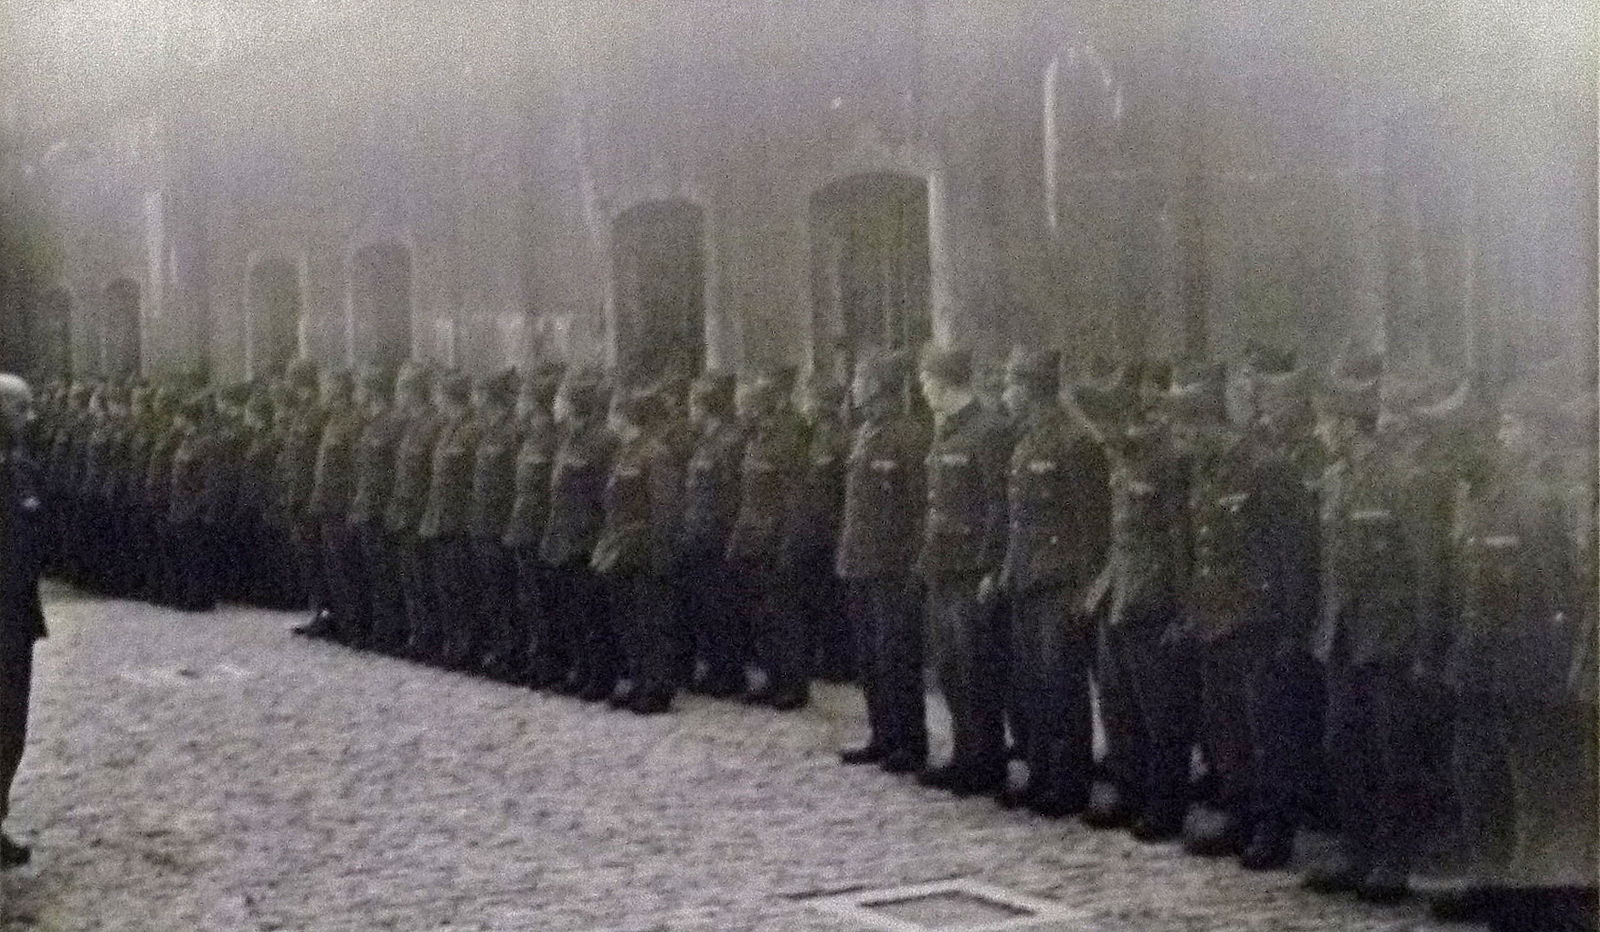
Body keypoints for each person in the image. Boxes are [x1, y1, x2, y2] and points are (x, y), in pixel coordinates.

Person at [997, 347, 1111, 817]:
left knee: (1062, 689)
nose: (1006, 393)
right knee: (1033, 687)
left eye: (1011, 384)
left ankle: (1069, 784)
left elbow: (1092, 525)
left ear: (1031, 389)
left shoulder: (1076, 442)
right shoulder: (1028, 441)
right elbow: (1019, 520)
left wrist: (1086, 591)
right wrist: (1009, 571)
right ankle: (1043, 773)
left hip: (1062, 585)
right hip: (1028, 581)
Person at [915, 344, 1011, 796]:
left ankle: (986, 762)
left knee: (977, 671)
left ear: (943, 380)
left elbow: (998, 505)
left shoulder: (988, 430)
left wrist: (990, 565)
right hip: (943, 565)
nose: (923, 387)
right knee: (952, 670)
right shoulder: (947, 430)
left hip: (971, 569)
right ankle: (964, 755)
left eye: (927, 378)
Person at [836, 349, 929, 773]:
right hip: (862, 562)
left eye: (859, 380)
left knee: (896, 658)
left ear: (876, 387)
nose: (853, 388)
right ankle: (883, 734)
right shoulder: (866, 432)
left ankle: (908, 742)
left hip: (893, 566)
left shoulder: (908, 437)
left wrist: (913, 565)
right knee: (870, 658)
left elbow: (917, 508)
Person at [592, 386, 684, 714]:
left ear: (629, 417)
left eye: (616, 413)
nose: (611, 419)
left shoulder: (655, 454)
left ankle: (658, 688)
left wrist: (661, 553)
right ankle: (639, 681)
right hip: (622, 549)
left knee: (651, 622)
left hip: (645, 549)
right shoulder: (624, 452)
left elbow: (665, 508)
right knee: (628, 620)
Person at [728, 367, 811, 710]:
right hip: (753, 539)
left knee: (784, 617)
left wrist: (788, 544)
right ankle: (773, 677)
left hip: (777, 540)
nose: (741, 413)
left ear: (763, 408)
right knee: (761, 616)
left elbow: (794, 499)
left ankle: (792, 683)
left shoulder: (787, 441)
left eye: (747, 407)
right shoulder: (755, 442)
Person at [539, 369, 616, 700]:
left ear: (573, 405)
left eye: (561, 399)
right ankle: (581, 670)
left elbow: (605, 495)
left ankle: (599, 676)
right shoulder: (568, 437)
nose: (556, 404)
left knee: (591, 614)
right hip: (563, 535)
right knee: (571, 612)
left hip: (585, 537)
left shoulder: (602, 441)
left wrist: (596, 535)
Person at [677, 372, 746, 697]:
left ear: (706, 407)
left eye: (694, 403)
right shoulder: (705, 440)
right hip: (700, 534)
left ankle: (728, 673)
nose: (690, 410)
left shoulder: (728, 442)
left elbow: (733, 494)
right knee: (706, 607)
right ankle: (718, 669)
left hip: (717, 536)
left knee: (722, 609)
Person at [0, 373, 45, 868]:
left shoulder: (21, 469)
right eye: (18, 409)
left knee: (11, 727)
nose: (28, 419)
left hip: (15, 619)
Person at [503, 362, 563, 686]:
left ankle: (548, 662)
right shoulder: (530, 435)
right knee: (528, 599)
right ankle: (537, 657)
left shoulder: (550, 438)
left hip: (539, 528)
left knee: (541, 602)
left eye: (524, 398)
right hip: (524, 526)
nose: (519, 404)